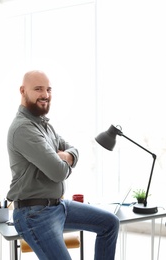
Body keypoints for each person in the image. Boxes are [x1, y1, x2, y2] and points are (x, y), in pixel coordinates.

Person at [6, 70, 119, 260]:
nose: (46, 95)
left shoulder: (44, 125)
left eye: (49, 89)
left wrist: (66, 156)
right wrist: (65, 160)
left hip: (58, 206)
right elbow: (57, 172)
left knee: (110, 223)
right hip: (34, 214)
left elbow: (73, 149)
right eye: (38, 89)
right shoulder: (23, 128)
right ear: (22, 91)